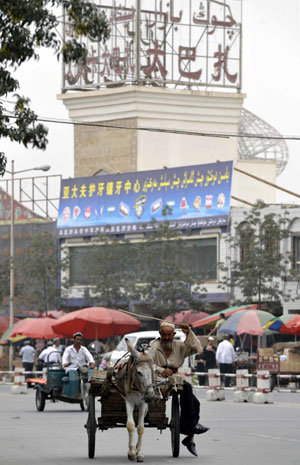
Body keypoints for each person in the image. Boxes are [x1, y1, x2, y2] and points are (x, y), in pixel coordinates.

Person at [149, 321, 209, 457]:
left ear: (174, 334)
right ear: (160, 334)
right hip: (156, 379)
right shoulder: (154, 345)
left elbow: (195, 348)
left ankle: (189, 435)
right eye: (163, 334)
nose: (166, 337)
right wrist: (160, 369)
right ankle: (191, 429)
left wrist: (188, 332)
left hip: (175, 378)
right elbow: (146, 363)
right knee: (187, 388)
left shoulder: (179, 345)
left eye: (169, 334)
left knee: (195, 402)